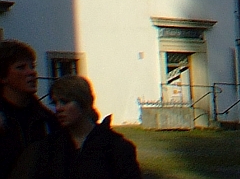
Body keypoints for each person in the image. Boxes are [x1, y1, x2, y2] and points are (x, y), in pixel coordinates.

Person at [32, 77, 139, 179]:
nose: (58, 108)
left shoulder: (116, 148)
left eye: (65, 102)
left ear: (83, 102)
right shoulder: (50, 147)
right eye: (55, 103)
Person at [0, 41, 54, 179]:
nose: (31, 72)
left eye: (32, 66)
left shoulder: (48, 120)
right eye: (21, 67)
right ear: (3, 77)